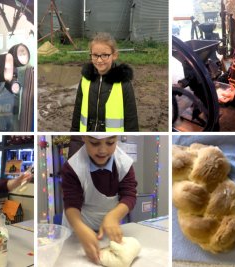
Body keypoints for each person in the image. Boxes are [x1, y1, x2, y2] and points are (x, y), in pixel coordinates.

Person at [61, 135, 138, 263]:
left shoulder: (124, 163)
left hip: (108, 230)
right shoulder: (72, 168)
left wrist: (114, 216)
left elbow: (129, 195)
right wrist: (80, 228)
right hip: (79, 228)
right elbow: (71, 204)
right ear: (84, 138)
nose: (103, 150)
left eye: (110, 142)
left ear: (116, 139)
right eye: (94, 143)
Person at [70, 32, 139, 132]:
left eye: (104, 55)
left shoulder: (123, 84)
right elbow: (77, 112)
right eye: (95, 55)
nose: (99, 60)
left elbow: (131, 120)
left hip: (111, 140)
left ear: (114, 55)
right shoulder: (85, 80)